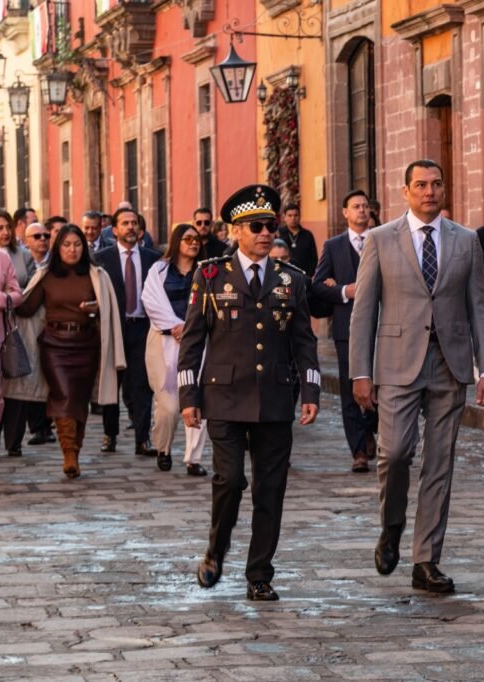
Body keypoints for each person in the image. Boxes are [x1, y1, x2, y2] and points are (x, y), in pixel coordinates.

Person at [349, 159, 484, 593]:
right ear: (405, 191)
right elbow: (363, 312)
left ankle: (426, 560)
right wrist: (361, 372)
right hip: (396, 364)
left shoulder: (466, 241)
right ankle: (391, 525)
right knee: (394, 454)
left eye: (436, 184)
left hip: (449, 364)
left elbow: (479, 307)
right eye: (420, 185)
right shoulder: (380, 239)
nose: (429, 191)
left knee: (440, 463)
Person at [179, 184, 320, 602]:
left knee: (270, 489)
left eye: (271, 226)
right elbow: (192, 342)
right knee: (230, 479)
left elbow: (304, 342)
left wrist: (311, 389)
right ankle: (216, 551)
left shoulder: (290, 280)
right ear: (235, 230)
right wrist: (189, 398)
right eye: (256, 226)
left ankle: (260, 573)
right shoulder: (210, 275)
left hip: (275, 399)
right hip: (223, 397)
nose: (266, 233)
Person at [15, 225, 125, 479]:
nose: (72, 249)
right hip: (54, 345)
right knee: (63, 394)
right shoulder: (46, 276)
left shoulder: (96, 275)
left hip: (86, 344)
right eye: (66, 244)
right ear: (58, 247)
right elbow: (27, 308)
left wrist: (96, 308)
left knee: (79, 399)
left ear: (83, 247)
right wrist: (5, 297)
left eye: (77, 244)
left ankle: (75, 449)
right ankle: (69, 454)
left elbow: (108, 311)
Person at [311, 189, 378, 473]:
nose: (361, 210)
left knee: (381, 386)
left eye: (365, 206)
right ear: (345, 213)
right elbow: (317, 285)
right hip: (346, 329)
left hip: (380, 326)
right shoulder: (334, 246)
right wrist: (343, 290)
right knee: (351, 389)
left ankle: (372, 428)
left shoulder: (382, 239)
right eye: (355, 206)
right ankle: (359, 450)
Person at [142, 223, 209, 476]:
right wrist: (175, 326)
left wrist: (191, 328)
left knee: (197, 397)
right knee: (168, 403)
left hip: (198, 341)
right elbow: (151, 301)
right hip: (163, 339)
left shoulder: (207, 272)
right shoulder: (159, 270)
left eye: (196, 240)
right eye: (187, 238)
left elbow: (211, 305)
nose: (193, 243)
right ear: (176, 241)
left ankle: (193, 458)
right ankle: (163, 448)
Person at [96, 208, 162, 456]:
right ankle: (109, 434)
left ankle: (142, 439)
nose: (131, 227)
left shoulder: (152, 258)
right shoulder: (102, 258)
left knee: (142, 385)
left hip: (142, 328)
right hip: (114, 327)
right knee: (113, 382)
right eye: (125, 223)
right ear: (115, 230)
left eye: (134, 223)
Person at [0, 209, 36, 459]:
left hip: (1, 334)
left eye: (7, 227)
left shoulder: (3, 259)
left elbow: (18, 295)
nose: (5, 232)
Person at [18, 222, 54, 446]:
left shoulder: (55, 263)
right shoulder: (21, 262)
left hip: (50, 323)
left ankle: (45, 426)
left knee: (47, 374)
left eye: (46, 235)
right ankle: (35, 427)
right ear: (26, 240)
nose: (43, 239)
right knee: (30, 374)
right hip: (26, 325)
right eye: (37, 236)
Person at [276, 203, 318, 276]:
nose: (293, 218)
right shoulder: (278, 234)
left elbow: (313, 259)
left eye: (296, 215)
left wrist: (308, 275)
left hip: (303, 275)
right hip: (282, 275)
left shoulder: (308, 235)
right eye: (290, 215)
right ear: (284, 217)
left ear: (300, 216)